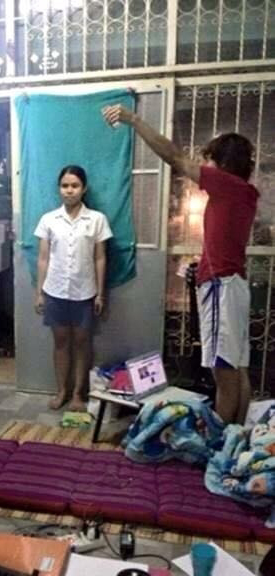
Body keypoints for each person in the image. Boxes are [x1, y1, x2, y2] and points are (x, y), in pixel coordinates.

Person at [102, 104, 258, 425]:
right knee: (237, 368)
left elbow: (173, 157)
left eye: (209, 160)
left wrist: (134, 120)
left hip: (221, 286)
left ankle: (218, 439)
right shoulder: (245, 193)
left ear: (223, 164)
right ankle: (236, 435)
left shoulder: (227, 185)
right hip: (234, 285)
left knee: (223, 371)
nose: (205, 167)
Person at [34, 165, 112, 412]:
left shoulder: (97, 219)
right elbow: (43, 258)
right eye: (65, 186)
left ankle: (78, 393)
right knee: (60, 342)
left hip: (84, 292)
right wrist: (39, 293)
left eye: (75, 186)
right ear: (59, 189)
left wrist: (100, 294)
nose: (69, 190)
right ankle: (62, 391)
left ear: (84, 188)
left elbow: (100, 258)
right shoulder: (49, 219)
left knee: (81, 342)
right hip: (55, 290)